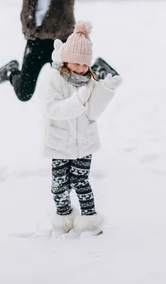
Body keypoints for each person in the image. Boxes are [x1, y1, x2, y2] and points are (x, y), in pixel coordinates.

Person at [41, 21, 122, 236]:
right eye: (76, 64)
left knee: (81, 182)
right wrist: (78, 99)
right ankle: (63, 221)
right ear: (66, 59)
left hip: (84, 143)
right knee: (59, 185)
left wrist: (106, 90)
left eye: (85, 65)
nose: (81, 68)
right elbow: (53, 109)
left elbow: (92, 112)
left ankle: (89, 222)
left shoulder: (89, 82)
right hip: (60, 143)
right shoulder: (55, 79)